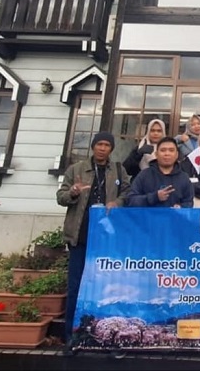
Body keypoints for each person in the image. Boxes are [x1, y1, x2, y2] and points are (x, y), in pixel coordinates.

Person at [56, 131, 130, 354]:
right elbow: (60, 197)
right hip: (80, 234)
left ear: (111, 149)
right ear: (93, 146)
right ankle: (71, 336)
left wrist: (117, 202)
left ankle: (109, 337)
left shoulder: (118, 170)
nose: (102, 148)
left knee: (109, 286)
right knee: (76, 286)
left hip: (107, 237)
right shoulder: (76, 169)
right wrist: (73, 192)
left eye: (107, 145)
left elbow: (128, 192)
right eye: (99, 144)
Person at [127, 137, 194, 208]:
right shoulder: (144, 175)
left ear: (177, 154)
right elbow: (131, 200)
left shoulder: (184, 178)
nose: (167, 154)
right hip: (149, 215)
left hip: (174, 215)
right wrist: (154, 197)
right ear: (156, 154)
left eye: (171, 150)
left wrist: (181, 207)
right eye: (163, 150)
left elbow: (189, 202)